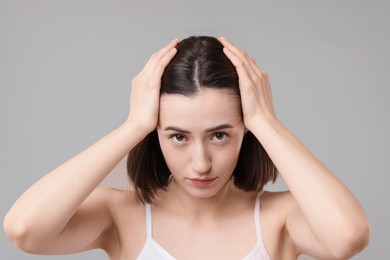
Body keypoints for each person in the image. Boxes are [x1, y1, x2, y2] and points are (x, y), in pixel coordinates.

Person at [3, 36, 370, 259]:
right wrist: (133, 125)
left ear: (245, 132)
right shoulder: (122, 216)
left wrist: (266, 121)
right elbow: (25, 230)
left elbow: (348, 238)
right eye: (178, 136)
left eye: (220, 135)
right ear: (156, 135)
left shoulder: (280, 219)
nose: (201, 164)